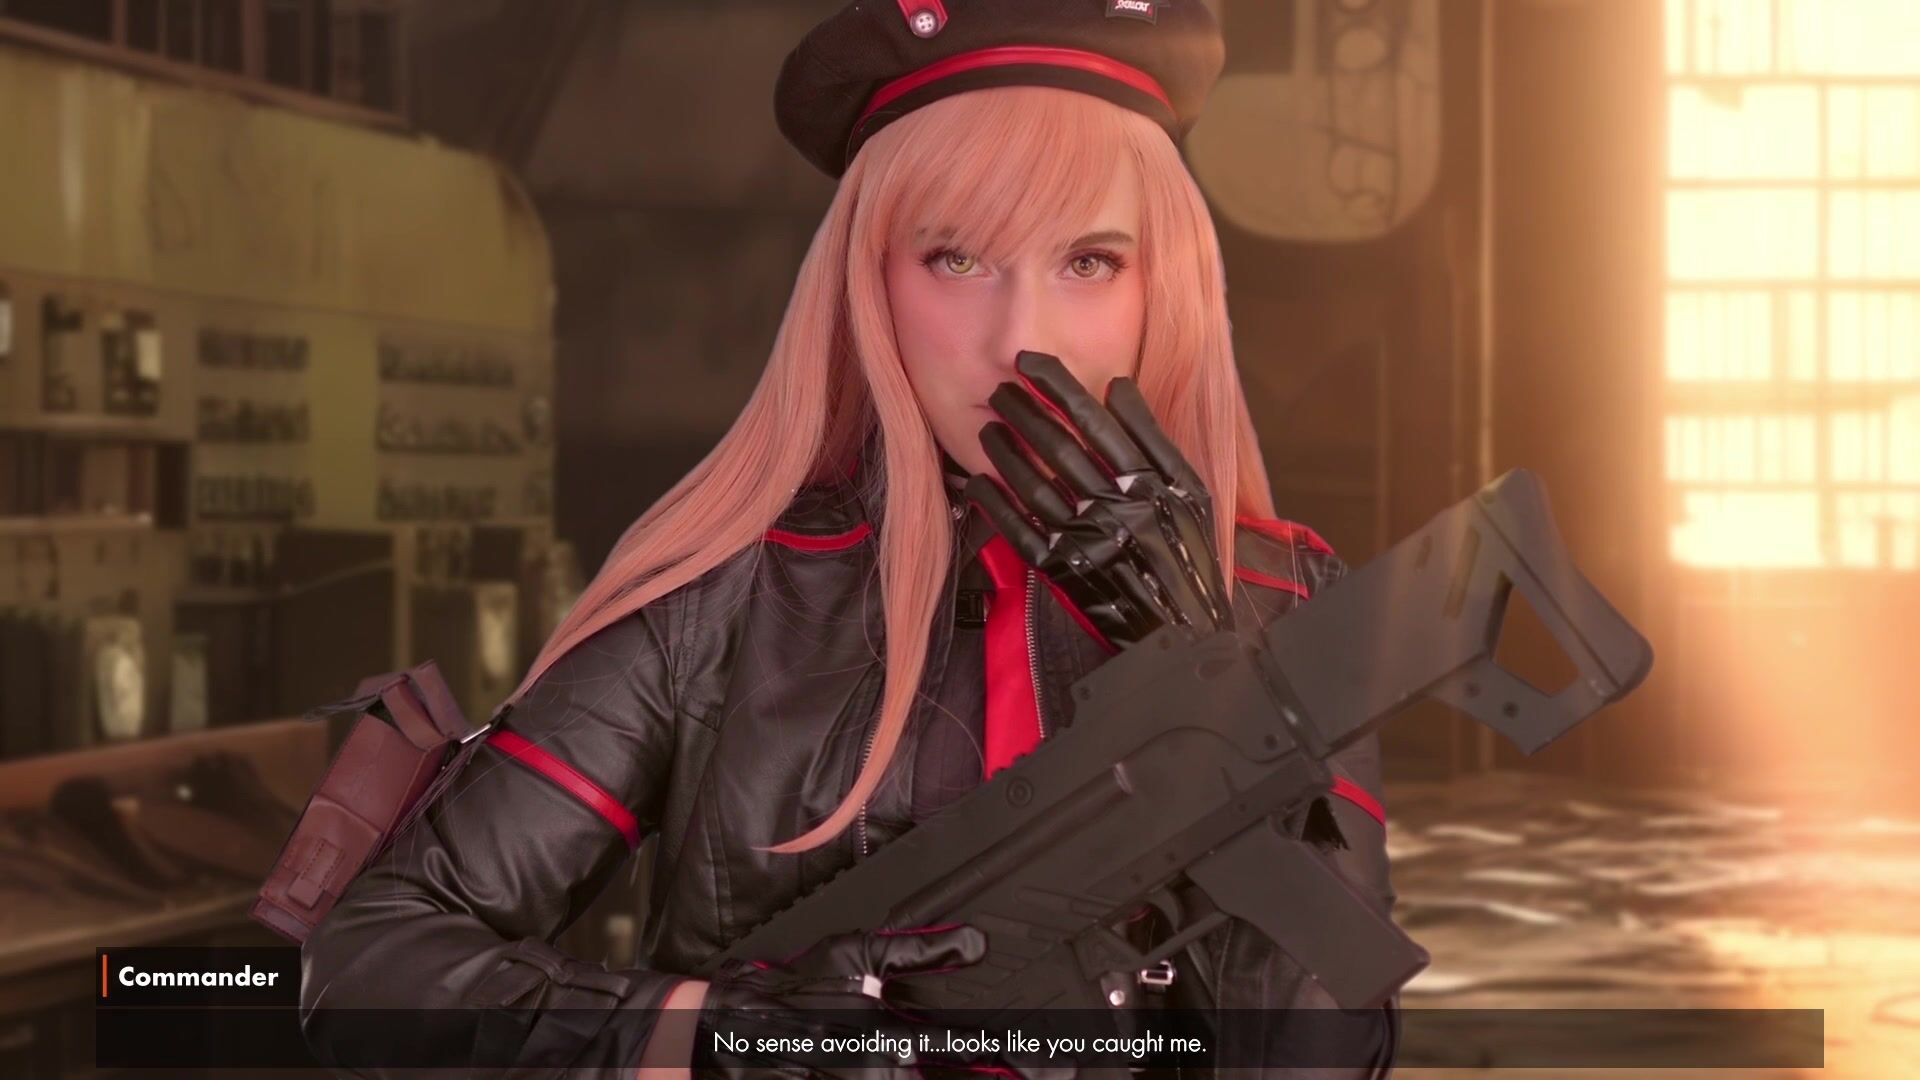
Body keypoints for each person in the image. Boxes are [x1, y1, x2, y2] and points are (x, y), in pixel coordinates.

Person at [299, 1, 1400, 1076]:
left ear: (1169, 284)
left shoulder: (1284, 598)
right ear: (869, 283)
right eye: (956, 259)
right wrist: (715, 1035)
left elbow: (1326, 1056)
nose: (1023, 341)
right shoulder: (722, 600)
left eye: (1090, 261)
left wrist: (1220, 689)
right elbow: (370, 969)